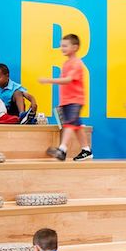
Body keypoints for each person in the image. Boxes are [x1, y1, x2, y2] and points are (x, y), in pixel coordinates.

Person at [41, 32, 90, 160]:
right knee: (76, 126)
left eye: (65, 46)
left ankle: (62, 149)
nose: (62, 48)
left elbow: (68, 80)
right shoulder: (66, 63)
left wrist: (49, 80)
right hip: (67, 101)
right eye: (61, 46)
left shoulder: (76, 63)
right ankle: (86, 150)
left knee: (69, 124)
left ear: (74, 47)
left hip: (75, 100)